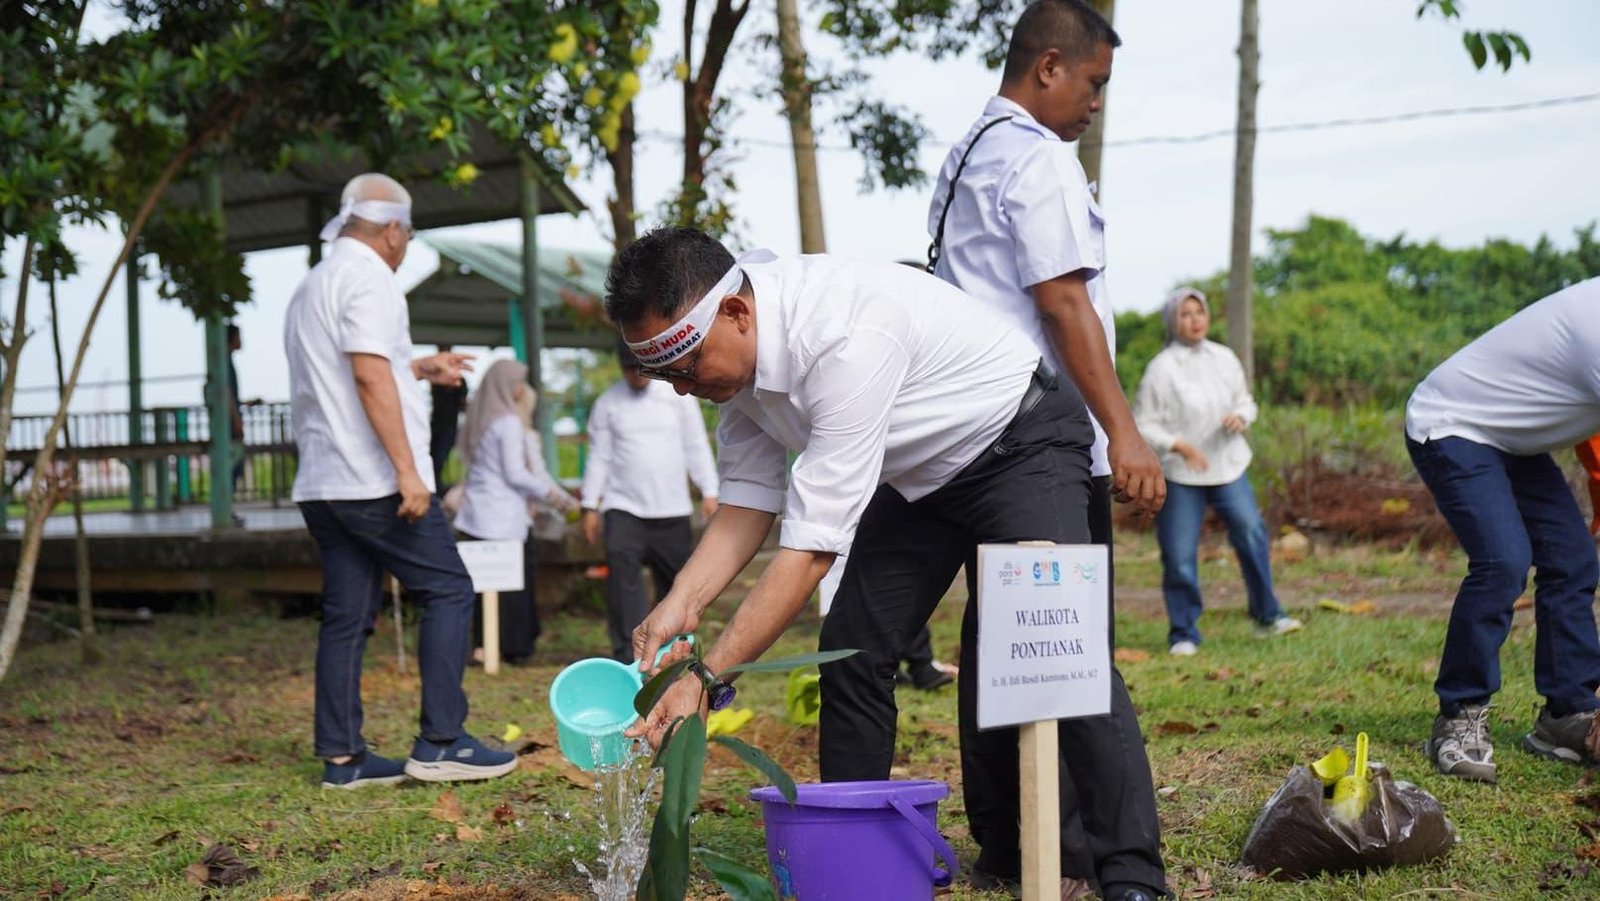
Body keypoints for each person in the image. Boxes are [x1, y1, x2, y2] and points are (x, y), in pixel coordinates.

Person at [614, 226, 1167, 901]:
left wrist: (705, 677)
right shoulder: (738, 371)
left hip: (1021, 440)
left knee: (1054, 645)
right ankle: (862, 845)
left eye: (685, 367)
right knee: (851, 648)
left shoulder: (844, 336)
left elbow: (810, 551)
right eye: (664, 374)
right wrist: (683, 600)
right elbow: (747, 506)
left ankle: (1132, 871)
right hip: (920, 478)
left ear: (736, 314)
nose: (678, 389)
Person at [926, 1, 1165, 892]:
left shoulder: (965, 156)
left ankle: (1014, 846)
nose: (1098, 103)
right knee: (1065, 647)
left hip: (973, 439)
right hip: (1041, 439)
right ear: (1051, 66)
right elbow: (1064, 307)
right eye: (1095, 83)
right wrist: (1124, 432)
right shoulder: (1039, 159)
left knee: (999, 645)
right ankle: (1123, 866)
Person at [285, 172, 517, 789]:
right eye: (408, 234)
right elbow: (365, 377)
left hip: (323, 484)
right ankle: (442, 741)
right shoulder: (371, 279)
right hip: (373, 482)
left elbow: (357, 370)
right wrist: (409, 474)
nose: (406, 244)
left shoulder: (313, 284)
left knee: (347, 615)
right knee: (448, 591)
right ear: (391, 230)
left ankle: (343, 758)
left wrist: (417, 366)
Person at [1406, 276, 1600, 783]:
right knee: (1503, 560)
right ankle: (1459, 715)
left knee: (1573, 560)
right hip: (1453, 421)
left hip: (1514, 440)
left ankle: (1566, 715)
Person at [1133, 288, 1302, 656]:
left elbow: (1245, 399)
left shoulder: (1224, 358)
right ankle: (1183, 632)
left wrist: (1240, 417)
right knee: (1178, 552)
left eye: (1199, 312)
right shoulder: (1161, 368)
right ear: (1172, 322)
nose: (1194, 320)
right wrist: (1179, 444)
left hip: (1227, 466)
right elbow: (1144, 422)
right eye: (1185, 314)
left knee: (1251, 533)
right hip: (1182, 473)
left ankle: (1267, 615)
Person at [580, 340, 720, 663]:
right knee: (623, 579)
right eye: (628, 369)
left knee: (677, 583)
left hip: (671, 508)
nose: (635, 376)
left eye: (639, 368)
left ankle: (676, 651)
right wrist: (590, 505)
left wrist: (710, 489)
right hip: (623, 507)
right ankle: (628, 655)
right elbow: (598, 457)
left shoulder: (677, 397)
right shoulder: (607, 403)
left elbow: (695, 444)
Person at [453, 359, 579, 665]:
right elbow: (516, 474)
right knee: (510, 588)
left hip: (476, 515)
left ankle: (484, 646)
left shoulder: (482, 418)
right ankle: (512, 647)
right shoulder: (508, 422)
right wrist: (555, 497)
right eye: (518, 382)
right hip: (502, 517)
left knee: (483, 589)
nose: (522, 389)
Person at [429, 343, 469, 491]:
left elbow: (462, 403)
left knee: (441, 457)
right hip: (438, 424)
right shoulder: (434, 377)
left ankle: (439, 487)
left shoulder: (458, 380)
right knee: (436, 457)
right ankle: (436, 486)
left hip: (448, 424)